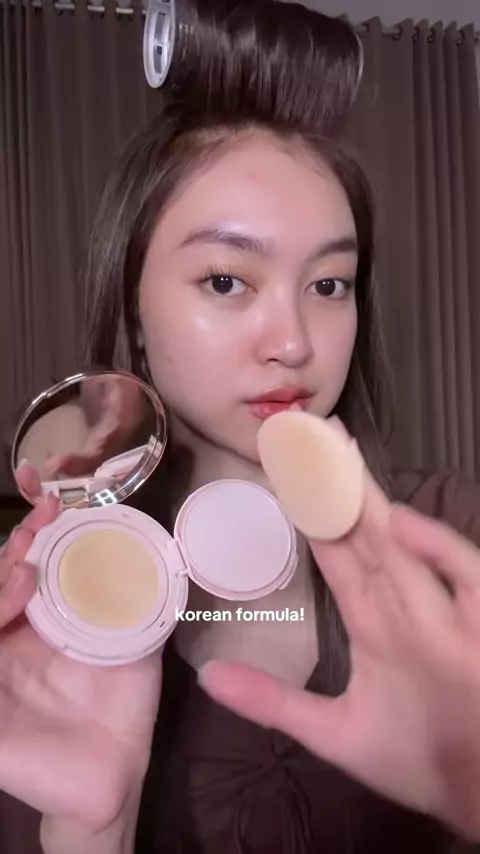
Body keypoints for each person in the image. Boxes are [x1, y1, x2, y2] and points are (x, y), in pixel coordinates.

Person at [1, 1, 480, 852]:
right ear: (134, 310)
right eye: (226, 281)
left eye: (329, 284)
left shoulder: (453, 544)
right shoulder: (53, 609)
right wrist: (90, 825)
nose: (293, 342)